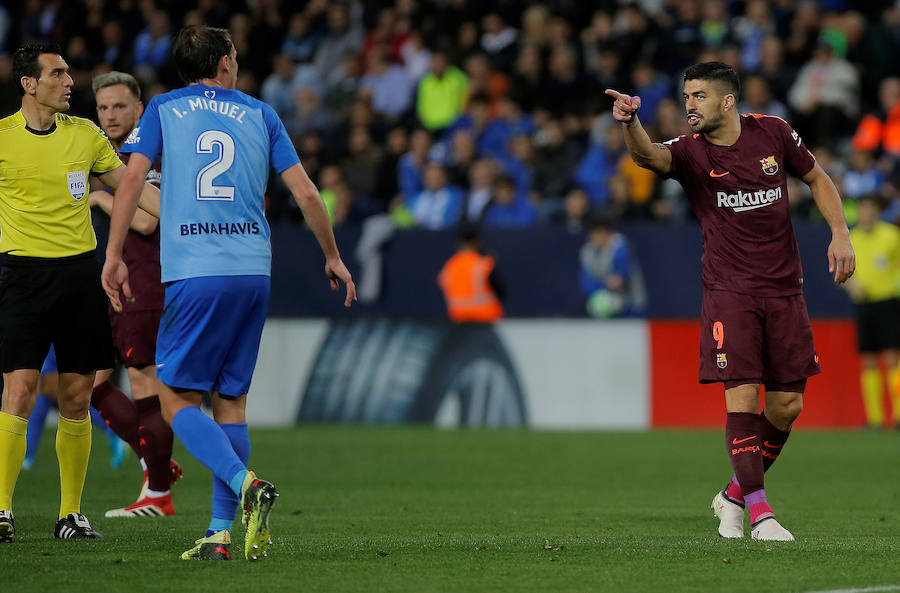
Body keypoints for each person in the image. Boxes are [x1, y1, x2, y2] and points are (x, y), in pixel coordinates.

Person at [101, 26, 355, 561]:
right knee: (231, 401)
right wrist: (331, 255)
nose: (237, 64)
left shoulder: (166, 108)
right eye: (234, 56)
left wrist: (114, 254)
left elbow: (130, 180)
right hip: (253, 270)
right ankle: (219, 535)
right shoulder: (262, 112)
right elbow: (306, 191)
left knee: (175, 401)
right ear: (220, 63)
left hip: (196, 269)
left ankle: (247, 484)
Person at [606, 61, 855, 542]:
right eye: (685, 97)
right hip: (729, 292)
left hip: (786, 289)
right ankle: (759, 514)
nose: (689, 106)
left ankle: (733, 496)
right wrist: (630, 123)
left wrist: (840, 233)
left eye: (698, 96)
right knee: (743, 397)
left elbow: (819, 179)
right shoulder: (690, 153)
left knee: (787, 406)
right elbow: (648, 159)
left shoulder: (774, 133)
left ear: (727, 100)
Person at [0, 43, 160, 543]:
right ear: (29, 83)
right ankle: (1, 511)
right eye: (59, 73)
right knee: (19, 391)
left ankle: (70, 514)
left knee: (76, 396)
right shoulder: (2, 137)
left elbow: (130, 187)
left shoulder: (85, 134)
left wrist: (194, 208)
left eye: (69, 72)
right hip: (21, 278)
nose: (70, 81)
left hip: (77, 278)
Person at [89, 70, 183, 517]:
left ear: (139, 110)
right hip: (114, 281)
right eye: (103, 107)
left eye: (119, 106)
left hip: (144, 280)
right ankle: (156, 460)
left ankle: (158, 492)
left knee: (145, 382)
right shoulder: (110, 158)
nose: (110, 114)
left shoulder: (145, 156)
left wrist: (99, 198)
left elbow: (148, 221)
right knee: (91, 382)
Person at [845, 195, 900, 429]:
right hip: (864, 304)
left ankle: (898, 416)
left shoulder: (891, 236)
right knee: (868, 360)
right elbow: (841, 272)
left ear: (877, 212)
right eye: (862, 210)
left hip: (888, 302)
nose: (865, 214)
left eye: (869, 209)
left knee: (892, 358)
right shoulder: (851, 237)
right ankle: (875, 419)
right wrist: (851, 285)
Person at [438, 224, 505, 323]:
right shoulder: (483, 264)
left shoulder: (449, 266)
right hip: (485, 318)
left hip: (458, 318)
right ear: (476, 242)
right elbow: (501, 291)